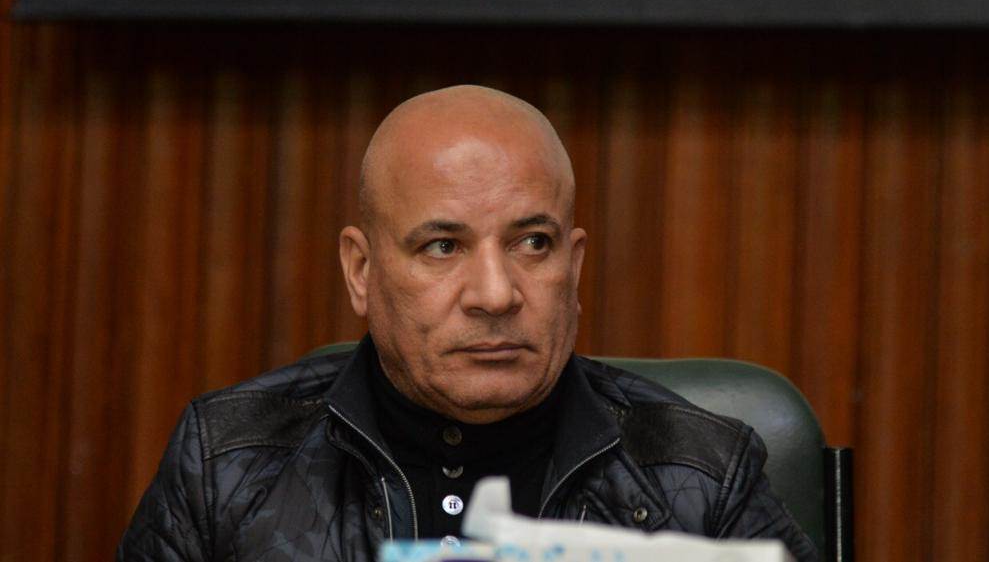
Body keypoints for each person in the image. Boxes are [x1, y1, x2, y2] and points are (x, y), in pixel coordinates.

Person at [118, 85, 817, 562]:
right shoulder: (226, 464)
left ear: (573, 267)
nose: (495, 293)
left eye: (533, 243)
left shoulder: (702, 474)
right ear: (361, 271)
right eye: (442, 246)